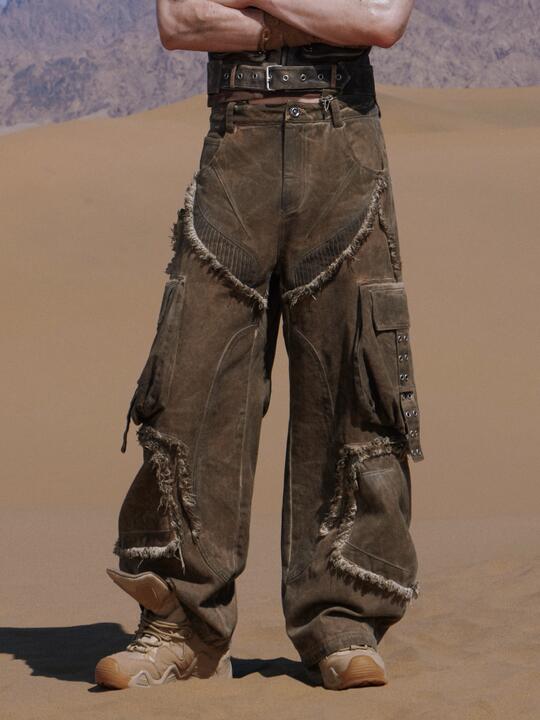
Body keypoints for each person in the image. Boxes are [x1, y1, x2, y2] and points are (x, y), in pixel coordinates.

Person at [95, 0, 424, 691]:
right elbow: (178, 24)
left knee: (353, 379)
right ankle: (182, 628)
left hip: (344, 142)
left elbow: (380, 19)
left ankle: (342, 624)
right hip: (235, 137)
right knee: (191, 376)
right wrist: (314, 16)